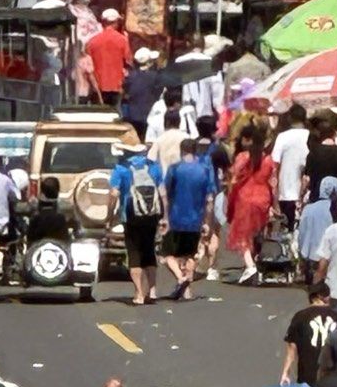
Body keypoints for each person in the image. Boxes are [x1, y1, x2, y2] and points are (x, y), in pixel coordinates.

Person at [159, 142, 214, 301]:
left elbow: (167, 195)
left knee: (168, 255)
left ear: (181, 150)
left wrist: (165, 217)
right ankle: (187, 291)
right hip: (195, 218)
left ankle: (180, 278)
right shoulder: (204, 170)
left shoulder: (175, 169)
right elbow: (209, 199)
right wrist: (207, 221)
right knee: (190, 255)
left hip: (177, 218)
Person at [112, 146, 164, 308]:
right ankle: (153, 290)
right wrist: (164, 215)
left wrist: (110, 214)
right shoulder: (154, 166)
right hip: (151, 216)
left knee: (134, 253)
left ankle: (139, 294)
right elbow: (162, 192)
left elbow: (114, 193)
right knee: (149, 251)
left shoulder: (121, 168)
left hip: (131, 216)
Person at [224, 124, 276, 285]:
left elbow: (233, 177)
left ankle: (250, 265)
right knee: (255, 232)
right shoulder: (268, 159)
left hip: (245, 197)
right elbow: (273, 181)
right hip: (263, 198)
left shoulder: (243, 157)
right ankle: (253, 264)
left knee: (242, 234)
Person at [280, 285, 337, 387]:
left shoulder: (300, 316)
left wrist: (286, 372)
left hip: (307, 373)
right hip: (332, 374)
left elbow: (292, 348)